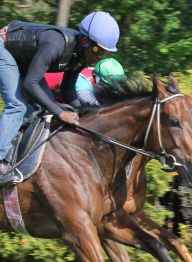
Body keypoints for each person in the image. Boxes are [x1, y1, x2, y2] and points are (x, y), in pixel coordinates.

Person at [0, 11, 120, 186]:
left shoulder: (81, 55)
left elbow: (68, 89)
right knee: (18, 106)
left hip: (24, 61)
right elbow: (30, 83)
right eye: (97, 50)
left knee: (43, 108)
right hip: (4, 48)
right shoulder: (55, 44)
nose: (99, 56)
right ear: (85, 40)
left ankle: (13, 154)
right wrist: (60, 112)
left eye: (104, 54)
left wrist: (86, 112)